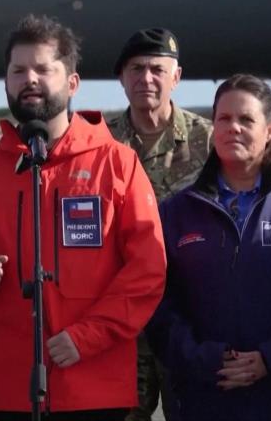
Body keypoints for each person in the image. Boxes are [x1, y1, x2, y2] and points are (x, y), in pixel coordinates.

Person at [0, 14, 167, 420]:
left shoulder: (117, 164)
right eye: (18, 70)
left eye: (43, 68)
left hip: (93, 387)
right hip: (6, 393)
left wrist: (88, 337)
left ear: (71, 82)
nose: (30, 79)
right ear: (6, 82)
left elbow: (148, 270)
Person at [147, 74, 271, 421]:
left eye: (246, 119)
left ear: (270, 129)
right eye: (224, 118)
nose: (233, 127)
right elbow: (160, 305)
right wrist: (204, 358)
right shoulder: (176, 212)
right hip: (205, 400)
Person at [107, 27, 212, 421]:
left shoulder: (210, 142)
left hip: (190, 317)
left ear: (177, 77)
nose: (145, 79)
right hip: (122, 323)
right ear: (121, 77)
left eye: (156, 69)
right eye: (135, 69)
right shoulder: (100, 143)